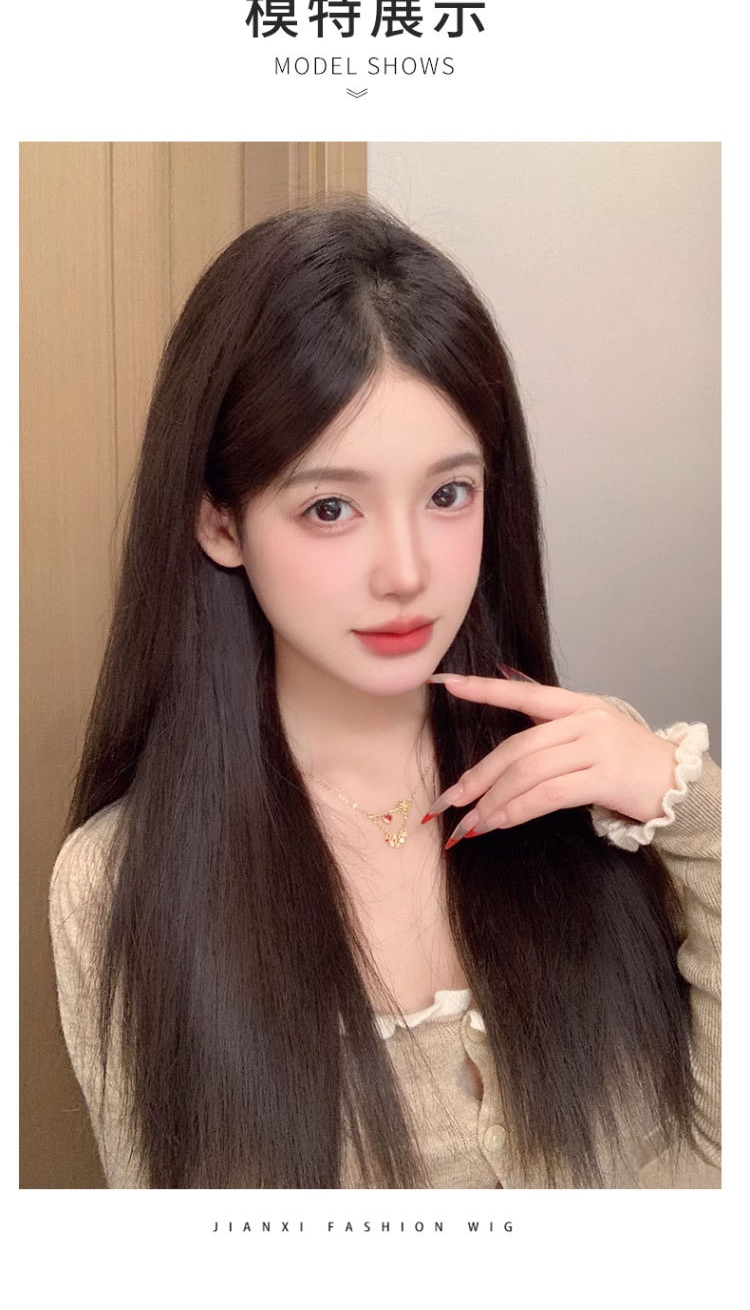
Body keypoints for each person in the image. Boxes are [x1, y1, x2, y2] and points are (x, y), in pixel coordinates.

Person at [48, 196, 721, 1190]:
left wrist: (691, 806)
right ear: (220, 523)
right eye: (331, 507)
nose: (406, 572)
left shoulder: (601, 782)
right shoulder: (119, 885)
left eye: (449, 494)